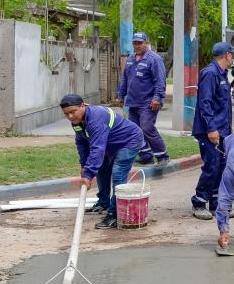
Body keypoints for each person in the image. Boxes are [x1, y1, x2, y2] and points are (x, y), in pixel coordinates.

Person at [60, 94, 145, 229]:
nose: (70, 116)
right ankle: (103, 202)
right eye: (66, 114)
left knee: (118, 174)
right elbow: (82, 143)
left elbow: (97, 148)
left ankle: (115, 214)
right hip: (109, 144)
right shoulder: (77, 121)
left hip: (129, 141)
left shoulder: (96, 119)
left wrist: (88, 175)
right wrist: (84, 166)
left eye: (73, 112)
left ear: (83, 105)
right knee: (101, 170)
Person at [191, 42, 234, 220]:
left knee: (222, 167)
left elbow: (223, 106)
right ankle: (199, 202)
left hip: (222, 130)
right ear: (227, 56)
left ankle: (216, 203)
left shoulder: (222, 74)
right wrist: (211, 128)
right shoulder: (210, 73)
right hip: (210, 130)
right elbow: (205, 103)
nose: (232, 58)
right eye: (231, 55)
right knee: (212, 166)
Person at [116, 32, 169, 166]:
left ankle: (162, 156)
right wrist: (120, 95)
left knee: (147, 127)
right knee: (134, 130)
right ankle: (146, 155)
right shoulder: (130, 59)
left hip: (149, 102)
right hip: (133, 102)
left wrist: (157, 98)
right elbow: (125, 79)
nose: (137, 46)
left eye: (140, 43)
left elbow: (160, 81)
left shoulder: (154, 59)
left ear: (147, 42)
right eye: (135, 43)